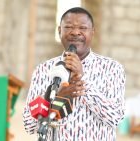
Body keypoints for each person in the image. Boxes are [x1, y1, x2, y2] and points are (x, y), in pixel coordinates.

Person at [23, 7, 126, 141]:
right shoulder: (43, 70)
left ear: (93, 32)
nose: (75, 32)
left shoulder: (112, 68)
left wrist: (82, 80)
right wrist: (54, 99)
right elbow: (28, 125)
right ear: (59, 30)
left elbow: (116, 118)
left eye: (83, 28)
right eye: (69, 27)